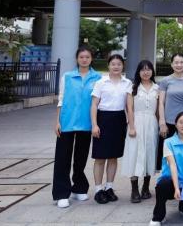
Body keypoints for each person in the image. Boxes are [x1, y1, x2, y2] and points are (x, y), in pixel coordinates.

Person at [52, 45, 102, 208]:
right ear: (77, 59)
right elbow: (61, 99)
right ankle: (61, 193)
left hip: (86, 123)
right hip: (67, 122)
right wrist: (57, 121)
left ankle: (79, 187)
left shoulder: (98, 77)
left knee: (81, 158)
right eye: (81, 57)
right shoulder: (67, 76)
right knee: (62, 159)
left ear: (91, 59)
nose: (84, 60)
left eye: (87, 57)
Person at [90, 54, 132, 204]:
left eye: (119, 64)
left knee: (113, 157)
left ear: (122, 66)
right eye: (113, 64)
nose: (116, 67)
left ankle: (109, 187)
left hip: (119, 120)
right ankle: (98, 190)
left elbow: (129, 106)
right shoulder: (101, 82)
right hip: (103, 119)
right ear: (108, 66)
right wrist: (94, 125)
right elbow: (94, 105)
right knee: (100, 157)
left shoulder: (127, 83)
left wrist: (131, 124)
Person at [149, 111, 183, 225]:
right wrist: (176, 188)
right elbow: (172, 165)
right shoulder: (168, 142)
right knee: (162, 186)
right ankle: (158, 217)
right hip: (172, 181)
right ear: (176, 124)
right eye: (181, 122)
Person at [123, 60, 159, 203]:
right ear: (138, 72)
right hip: (136, 123)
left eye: (148, 69)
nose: (146, 72)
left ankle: (145, 187)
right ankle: (134, 190)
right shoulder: (132, 88)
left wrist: (160, 125)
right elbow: (129, 109)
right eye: (143, 69)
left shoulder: (157, 88)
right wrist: (131, 127)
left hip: (151, 124)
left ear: (152, 71)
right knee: (134, 154)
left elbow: (158, 110)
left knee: (149, 153)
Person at [156, 53, 183, 171]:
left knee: (182, 155)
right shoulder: (165, 81)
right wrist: (162, 122)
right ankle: (166, 179)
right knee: (166, 155)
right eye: (176, 62)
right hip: (168, 123)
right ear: (172, 65)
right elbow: (161, 103)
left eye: (181, 62)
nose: (179, 65)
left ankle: (180, 180)